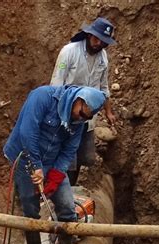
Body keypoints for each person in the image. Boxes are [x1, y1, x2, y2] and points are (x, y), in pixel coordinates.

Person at [3, 85, 106, 244]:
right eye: (82, 114)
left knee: (68, 207)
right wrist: (36, 166)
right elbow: (28, 132)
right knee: (30, 208)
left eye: (87, 118)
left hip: (51, 162)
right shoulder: (42, 97)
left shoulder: (78, 123)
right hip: (25, 157)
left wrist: (56, 175)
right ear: (78, 100)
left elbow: (69, 151)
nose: (81, 119)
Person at [50, 17, 117, 186]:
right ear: (88, 35)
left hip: (87, 117)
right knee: (67, 156)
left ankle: (71, 187)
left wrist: (108, 112)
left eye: (103, 42)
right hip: (69, 114)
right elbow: (57, 83)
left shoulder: (103, 58)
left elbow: (104, 87)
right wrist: (56, 114)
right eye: (96, 39)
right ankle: (60, 189)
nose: (99, 44)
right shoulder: (69, 52)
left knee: (84, 156)